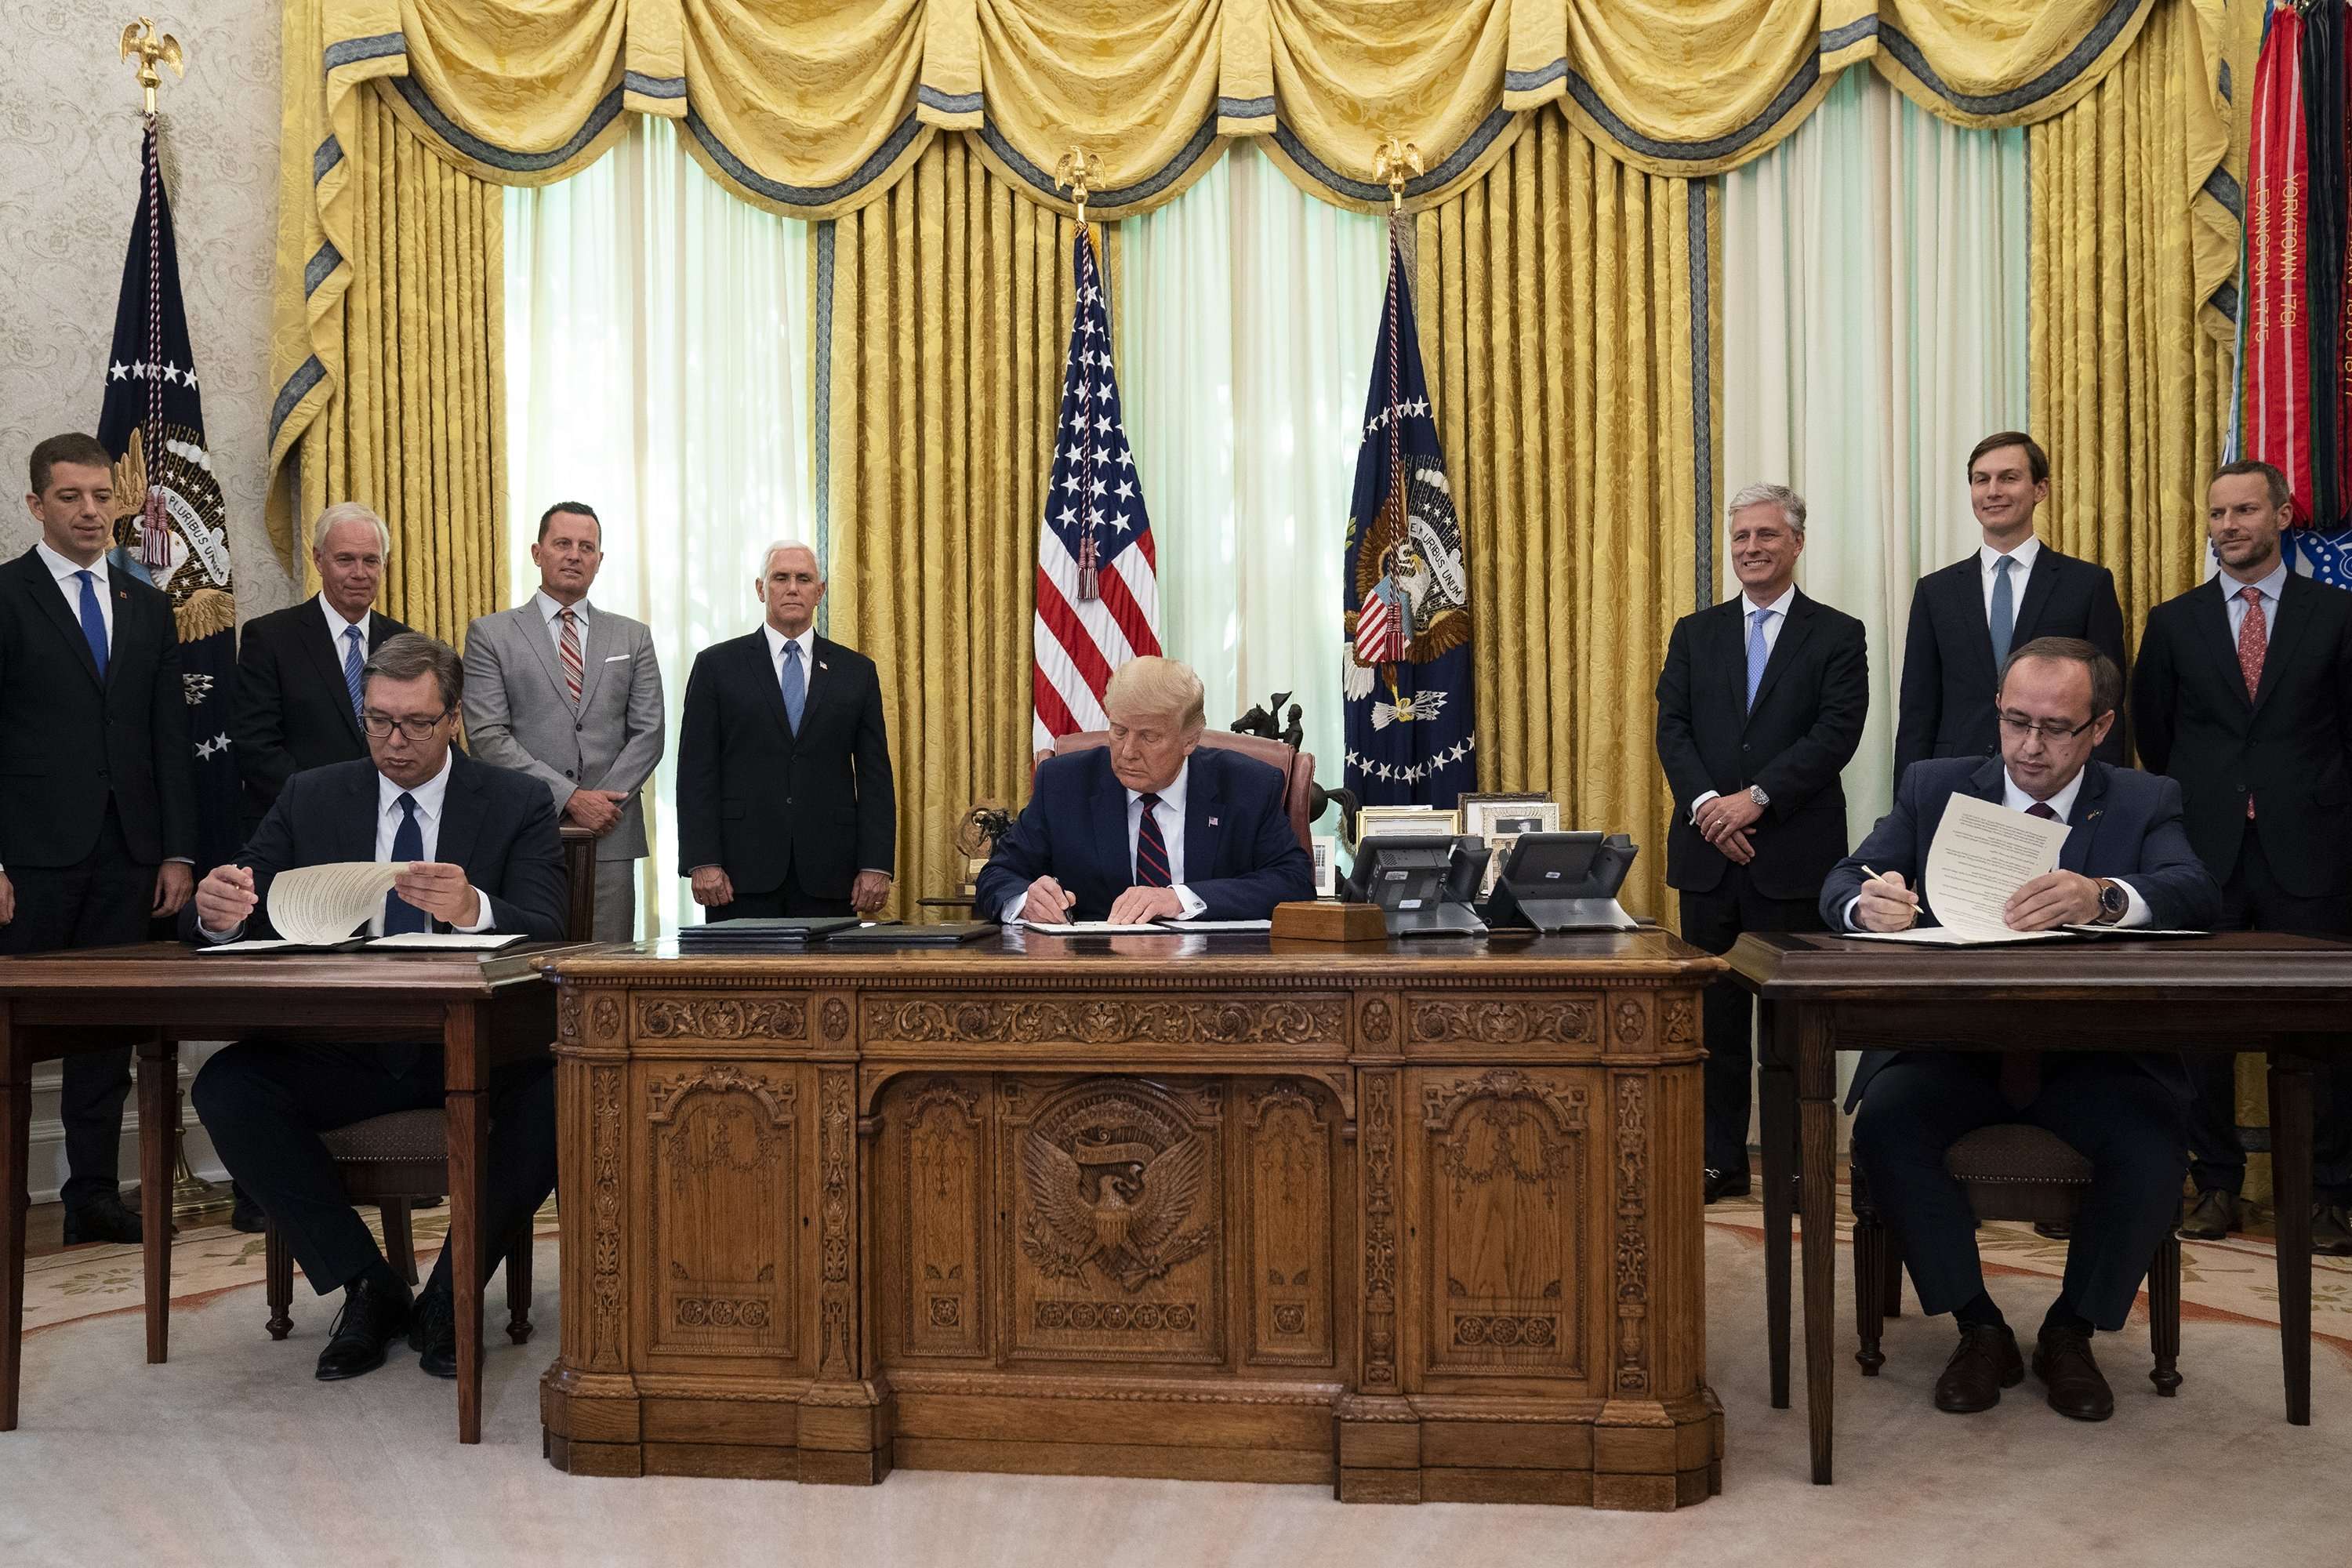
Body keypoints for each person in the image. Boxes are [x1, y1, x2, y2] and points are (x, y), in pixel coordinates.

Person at [1822, 638, 2220, 1422]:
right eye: (2015, 722)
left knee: (2153, 1143)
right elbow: (1847, 876)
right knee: (1888, 1125)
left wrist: (2105, 896)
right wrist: (1865, 905)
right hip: (1955, 1051)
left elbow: (2195, 889)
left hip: (2090, 1058)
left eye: (2056, 728)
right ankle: (1980, 1326)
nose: (2030, 746)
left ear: (2100, 727)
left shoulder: (2142, 799)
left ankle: (2071, 1330)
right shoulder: (1936, 786)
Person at [187, 633, 568, 1382]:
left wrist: (474, 908)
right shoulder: (312, 795)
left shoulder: (515, 801)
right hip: (345, 1049)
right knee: (228, 1087)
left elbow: (551, 925)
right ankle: (369, 1285)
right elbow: (242, 900)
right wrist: (215, 912)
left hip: (472, 1051)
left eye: (418, 723)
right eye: (380, 721)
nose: (396, 741)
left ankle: (452, 1293)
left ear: (453, 718)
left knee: (560, 1091)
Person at [2131, 460, 2352, 1255]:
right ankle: (2215, 1182)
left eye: (2246, 510)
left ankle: (2331, 1193)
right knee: (2200, 1031)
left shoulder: (2336, 614)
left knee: (2327, 1032)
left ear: (2283, 516)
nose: (2229, 525)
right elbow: (2155, 734)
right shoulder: (2174, 621)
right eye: (2218, 512)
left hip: (2313, 850)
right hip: (2204, 854)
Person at [0, 433, 195, 1244]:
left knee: (105, 1040)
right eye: (70, 496)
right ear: (35, 504)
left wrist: (177, 850)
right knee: (10, 1038)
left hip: (129, 855)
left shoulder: (146, 604)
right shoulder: (6, 595)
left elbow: (167, 736)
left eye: (102, 495)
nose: (90, 511)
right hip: (28, 860)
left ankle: (92, 1197)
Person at [1655, 484, 1868, 1203]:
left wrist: (1757, 800)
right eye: (1741, 536)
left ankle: (1798, 1162)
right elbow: (1672, 729)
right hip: (1708, 860)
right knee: (1713, 1024)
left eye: (1767, 535)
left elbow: (1836, 734)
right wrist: (1710, 809)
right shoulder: (1695, 633)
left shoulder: (1837, 634)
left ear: (1797, 543)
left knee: (1792, 1027)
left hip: (1792, 858)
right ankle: (1720, 1159)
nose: (1752, 548)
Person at [976, 656, 1315, 923]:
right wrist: (1026, 900)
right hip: (1094, 974)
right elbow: (999, 874)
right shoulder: (1064, 784)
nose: (1127, 751)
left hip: (1211, 973)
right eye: (1119, 730)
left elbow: (1294, 883)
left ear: (1190, 740)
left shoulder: (1248, 786)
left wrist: (1179, 898)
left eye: (1149, 737)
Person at [463, 501, 665, 942]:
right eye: (562, 544)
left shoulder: (633, 636)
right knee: (526, 963)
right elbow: (486, 736)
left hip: (610, 833)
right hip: (525, 829)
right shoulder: (490, 634)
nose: (574, 555)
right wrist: (570, 797)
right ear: (538, 553)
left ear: (599, 560)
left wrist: (602, 806)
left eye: (586, 547)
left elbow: (649, 733)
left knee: (607, 968)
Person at [675, 541, 895, 918]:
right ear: (761, 589)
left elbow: (875, 775)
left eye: (804, 579)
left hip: (831, 873)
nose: (792, 588)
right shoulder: (717, 666)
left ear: (820, 592)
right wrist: (702, 860)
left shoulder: (856, 672)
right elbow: (696, 771)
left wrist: (876, 864)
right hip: (737, 875)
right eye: (781, 578)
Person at [1895, 432, 2127, 778]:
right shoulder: (1936, 591)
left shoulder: (2087, 585)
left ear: (2040, 489)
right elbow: (1918, 707)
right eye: (1981, 480)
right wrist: (1908, 795)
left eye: (2008, 478)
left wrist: (2105, 792)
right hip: (1958, 776)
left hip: (2055, 776)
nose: (1993, 491)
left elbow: (2107, 699)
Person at [230, 501, 413, 835]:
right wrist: (328, 803)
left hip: (388, 826)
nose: (360, 573)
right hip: (296, 825)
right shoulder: (270, 638)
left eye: (371, 560)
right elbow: (256, 746)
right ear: (318, 559)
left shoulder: (405, 642)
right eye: (345, 559)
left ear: (384, 564)